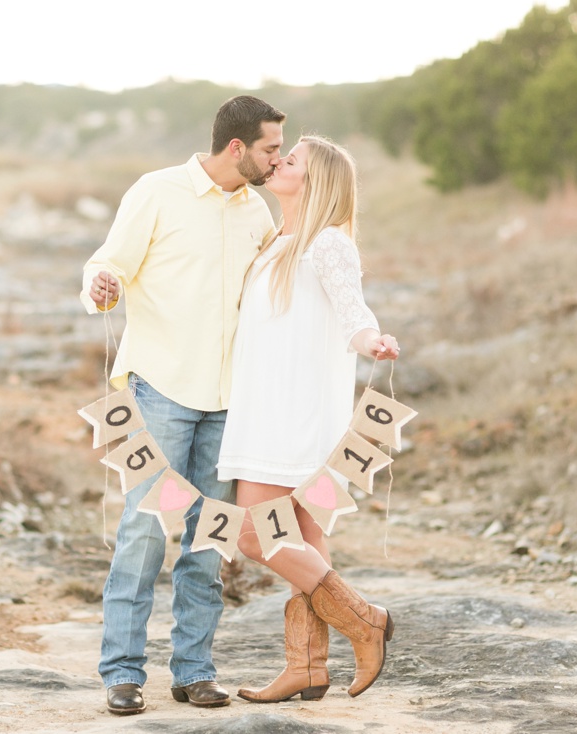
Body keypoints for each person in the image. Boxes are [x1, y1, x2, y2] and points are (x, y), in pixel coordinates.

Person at [80, 95, 285, 716]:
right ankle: (121, 671)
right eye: (271, 148)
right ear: (236, 148)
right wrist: (101, 284)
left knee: (209, 542)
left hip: (231, 402)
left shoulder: (257, 213)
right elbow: (106, 261)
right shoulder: (157, 191)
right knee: (144, 532)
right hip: (161, 390)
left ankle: (194, 671)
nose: (278, 160)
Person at [216, 135, 400, 703]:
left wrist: (371, 339)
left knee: (253, 535)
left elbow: (353, 309)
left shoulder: (328, 243)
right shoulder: (279, 239)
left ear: (315, 179)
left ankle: (365, 620)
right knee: (306, 541)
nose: (277, 162)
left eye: (289, 160)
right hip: (267, 405)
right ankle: (308, 666)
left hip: (290, 415)